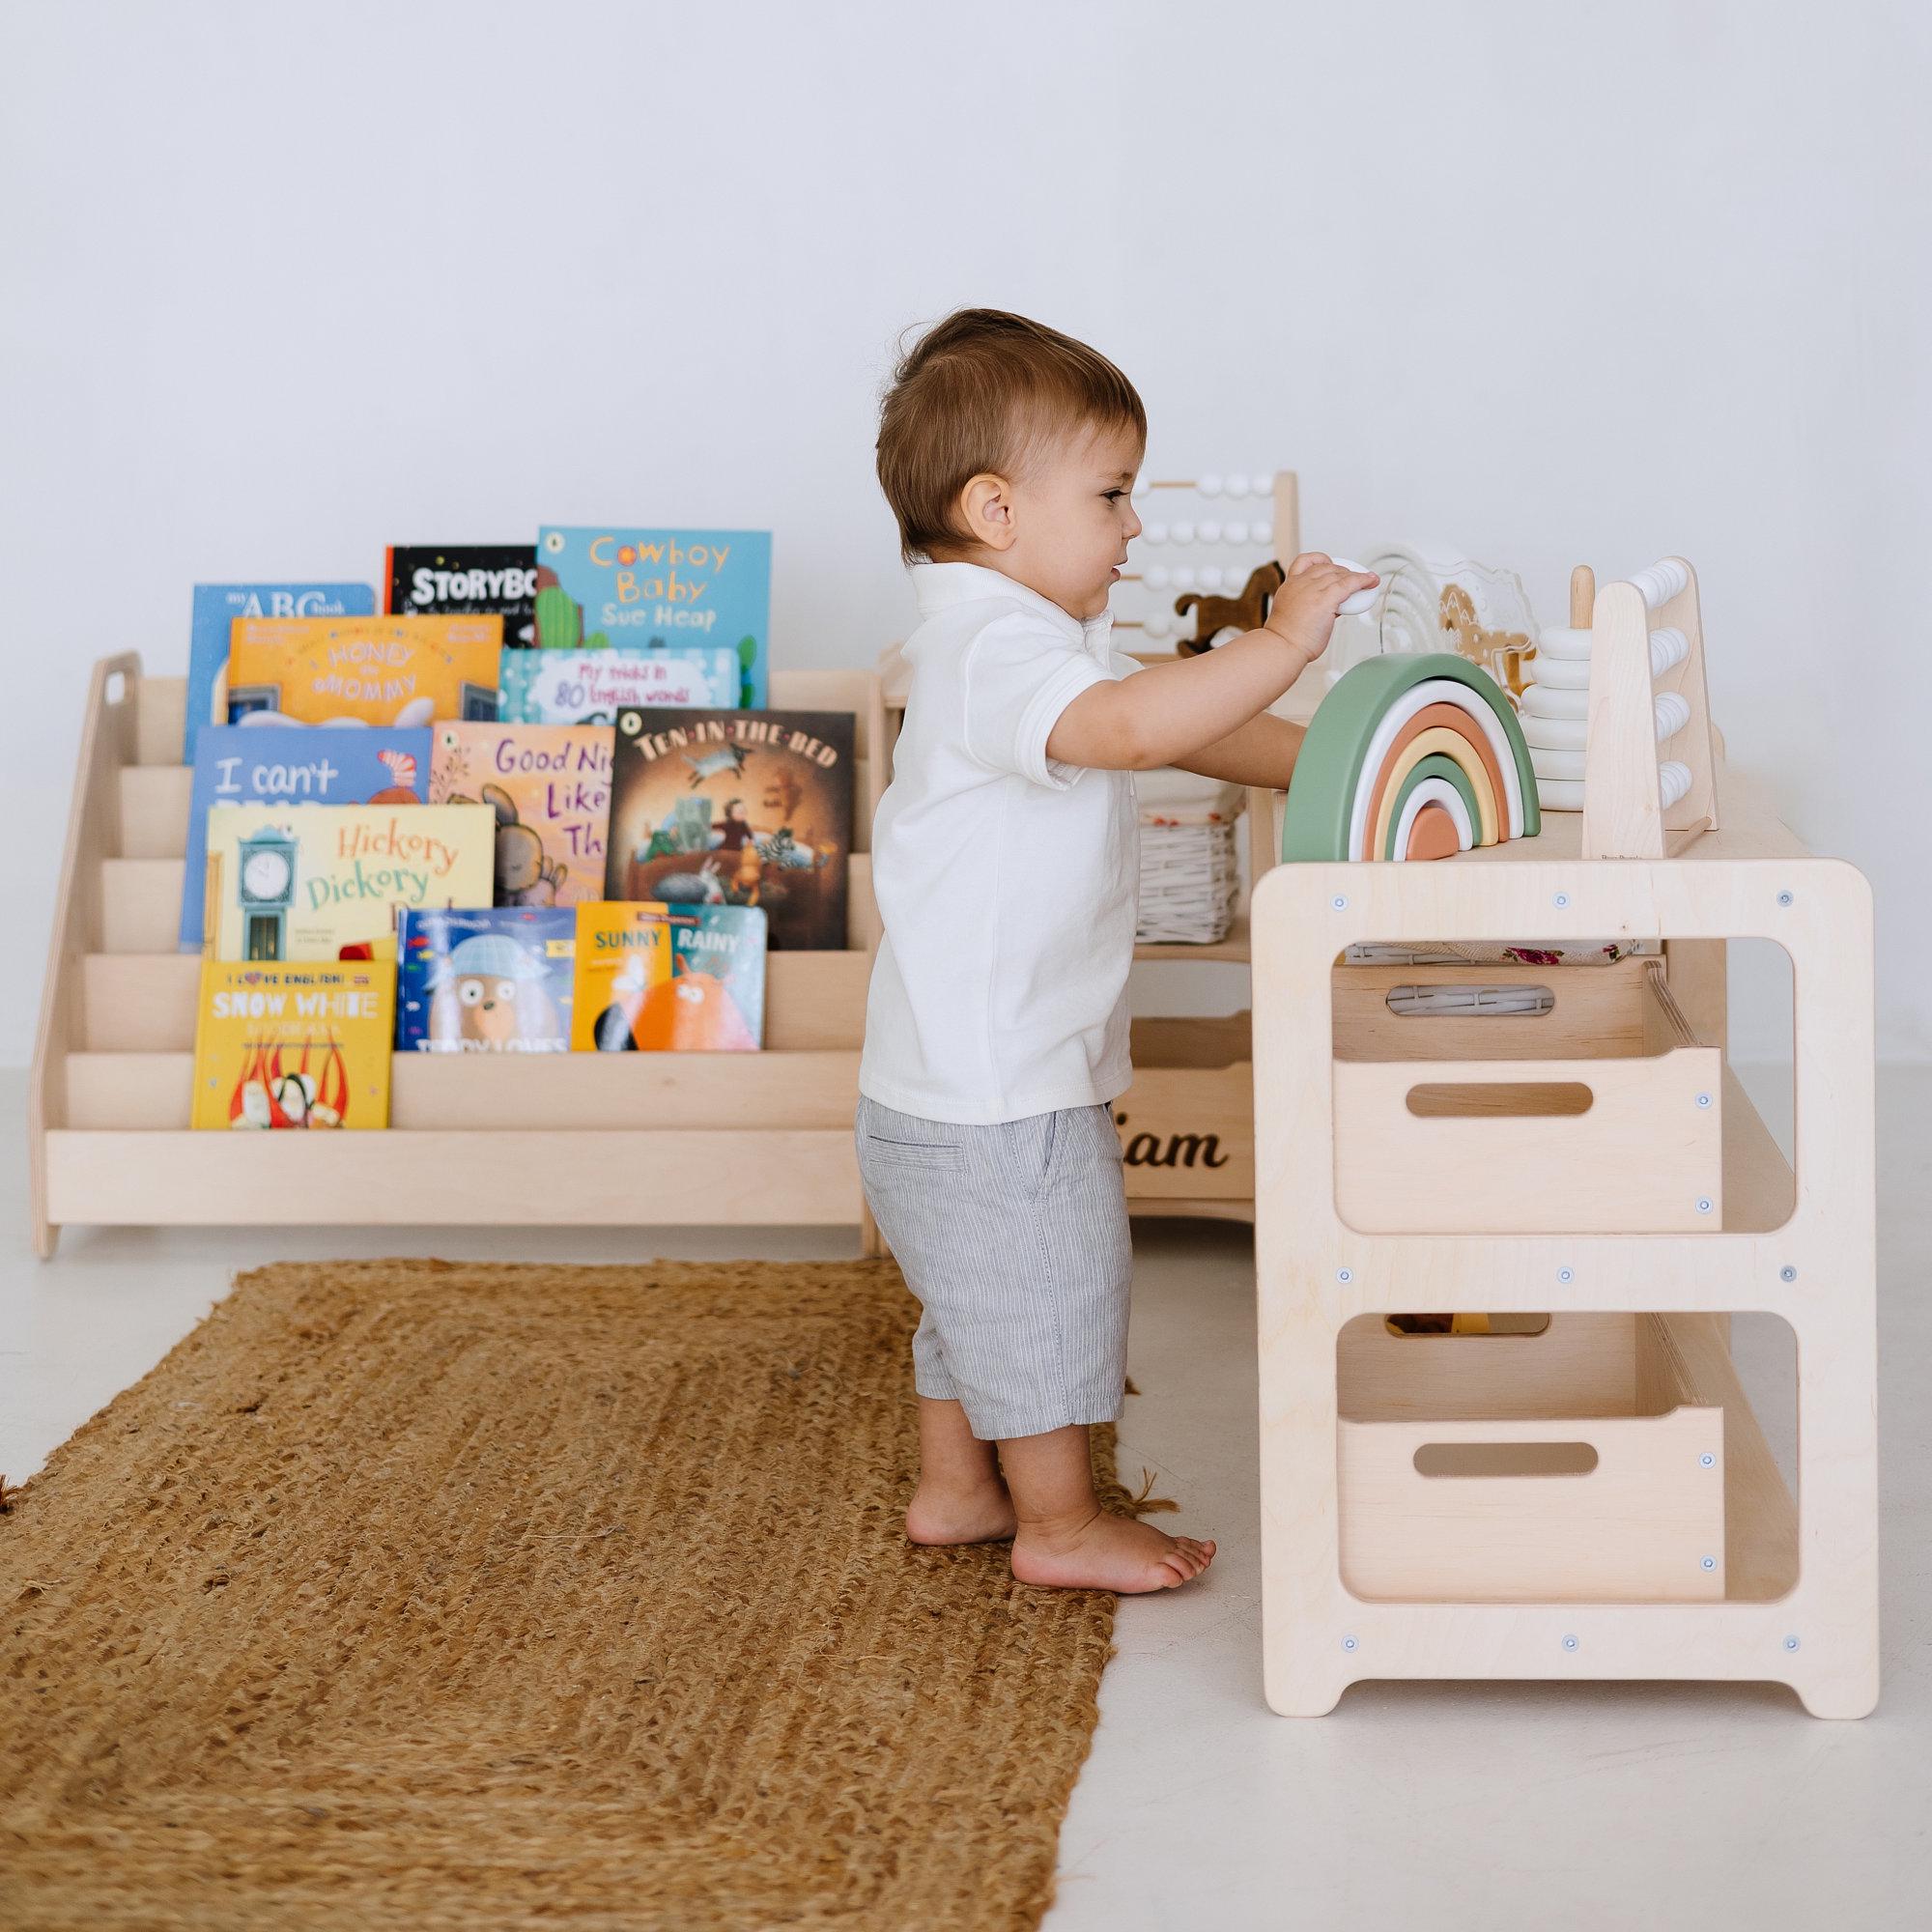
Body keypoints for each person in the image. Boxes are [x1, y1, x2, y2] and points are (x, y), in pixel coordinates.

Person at [857, 308, 1376, 1592]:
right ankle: (1061, 1523)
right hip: (996, 1087)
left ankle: (956, 1490)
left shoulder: (1026, 643)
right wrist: (1283, 642)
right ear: (996, 510)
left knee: (976, 1303)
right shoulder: (993, 654)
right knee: (1046, 1299)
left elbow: (1186, 729)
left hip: (957, 1078)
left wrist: (1341, 762)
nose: (1134, 526)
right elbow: (1144, 729)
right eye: (1111, 494)